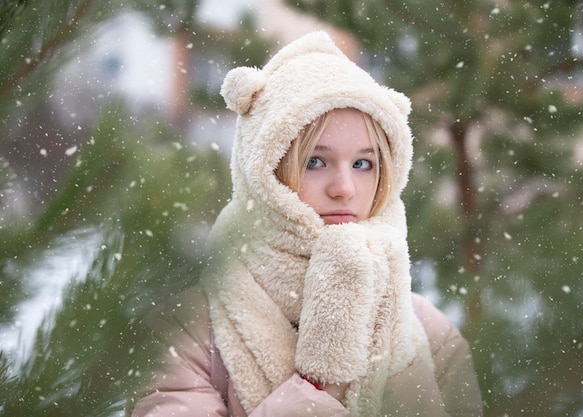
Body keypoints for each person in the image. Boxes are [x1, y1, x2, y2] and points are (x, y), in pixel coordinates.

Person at [130, 31, 483, 417]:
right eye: (315, 161)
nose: (345, 189)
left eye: (363, 163)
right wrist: (319, 388)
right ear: (265, 173)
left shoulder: (427, 331)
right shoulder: (188, 327)